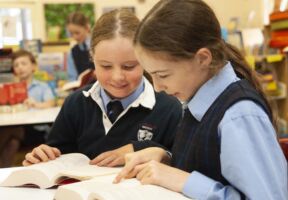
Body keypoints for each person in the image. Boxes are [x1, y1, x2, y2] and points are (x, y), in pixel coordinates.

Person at [114, 1, 288, 199]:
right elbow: (211, 168)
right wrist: (168, 160)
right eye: (151, 75)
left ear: (203, 59)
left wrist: (183, 180)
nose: (157, 87)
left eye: (163, 75)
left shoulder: (239, 116)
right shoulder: (196, 98)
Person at [22, 9, 181, 167]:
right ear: (92, 58)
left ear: (145, 59)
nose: (117, 77)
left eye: (128, 66)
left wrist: (150, 151)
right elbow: (55, 156)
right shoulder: (76, 104)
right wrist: (41, 158)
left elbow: (182, 166)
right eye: (106, 66)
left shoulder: (169, 108)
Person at [66, 11, 95, 81]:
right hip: (82, 90)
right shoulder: (72, 53)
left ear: (87, 27)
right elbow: (72, 78)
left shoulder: (99, 45)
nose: (74, 37)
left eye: (77, 33)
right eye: (71, 33)